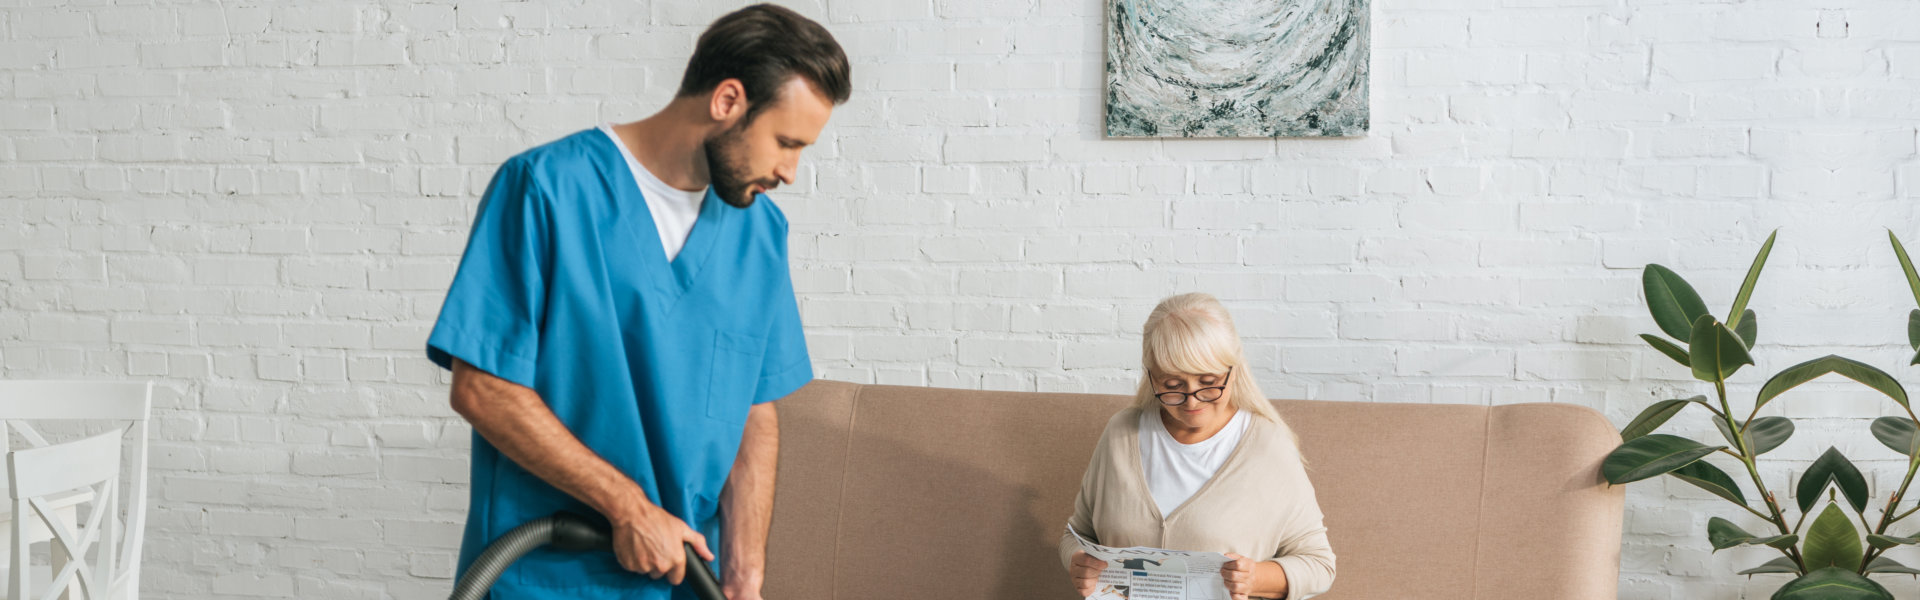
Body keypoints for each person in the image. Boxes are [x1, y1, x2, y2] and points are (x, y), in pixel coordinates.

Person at [424, 5, 850, 599]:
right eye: (785, 142)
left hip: (685, 581)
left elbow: (753, 411)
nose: (791, 171)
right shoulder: (547, 189)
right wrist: (626, 506)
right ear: (728, 100)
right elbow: (483, 387)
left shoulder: (760, 236)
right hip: (548, 576)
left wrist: (745, 576)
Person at [1060, 293, 1337, 600]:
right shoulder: (1121, 434)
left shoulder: (1268, 447)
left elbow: (1319, 566)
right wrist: (1078, 564)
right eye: (1172, 385)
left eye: (1208, 381)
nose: (1192, 400)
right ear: (1151, 375)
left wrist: (1255, 578)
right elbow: (1076, 535)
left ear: (1234, 369)